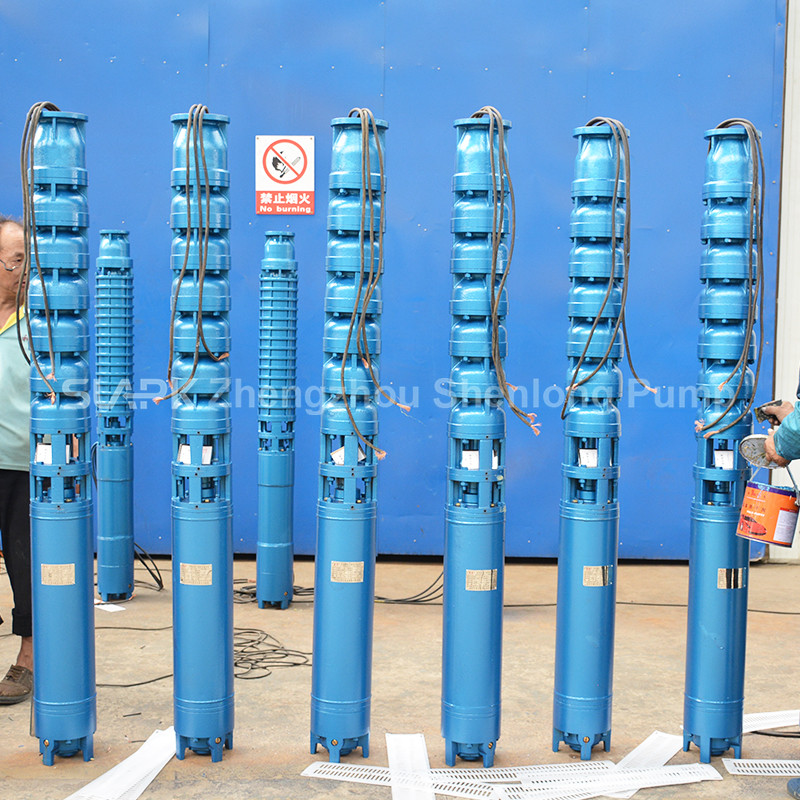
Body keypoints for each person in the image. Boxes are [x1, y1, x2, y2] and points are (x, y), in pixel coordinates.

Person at [0, 215, 33, 703]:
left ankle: (28, 659)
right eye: (15, 260)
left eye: (25, 260)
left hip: (23, 463)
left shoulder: (42, 320)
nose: (22, 270)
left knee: (25, 564)